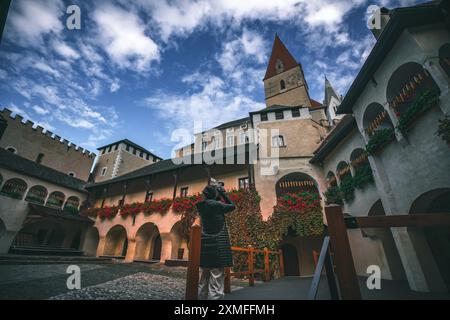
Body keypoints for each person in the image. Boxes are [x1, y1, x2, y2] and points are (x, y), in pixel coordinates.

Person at [196, 182, 235, 300]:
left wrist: (216, 194)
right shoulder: (218, 205)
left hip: (204, 247)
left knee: (203, 281)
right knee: (216, 282)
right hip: (218, 246)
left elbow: (210, 202)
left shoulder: (200, 206)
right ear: (215, 194)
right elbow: (232, 206)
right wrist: (223, 193)